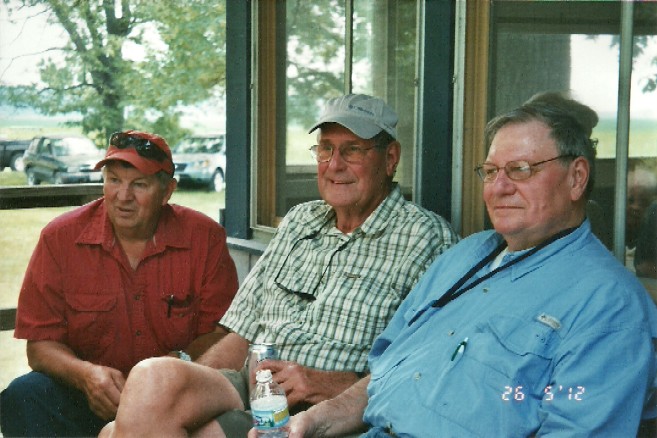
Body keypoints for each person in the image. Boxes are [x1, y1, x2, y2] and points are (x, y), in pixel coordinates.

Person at [279, 92, 657, 437]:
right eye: (491, 172)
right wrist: (319, 418)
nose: (499, 187)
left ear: (576, 178)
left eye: (521, 169)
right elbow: (385, 373)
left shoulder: (610, 306)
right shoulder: (466, 256)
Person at [99, 94, 459, 437]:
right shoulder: (300, 221)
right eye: (326, 149)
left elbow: (420, 365)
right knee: (150, 381)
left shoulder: (426, 238)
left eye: (352, 150)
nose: (334, 165)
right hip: (249, 382)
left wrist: (326, 382)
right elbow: (241, 332)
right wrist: (175, 400)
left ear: (390, 158)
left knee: (117, 432)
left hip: (318, 409)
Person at [0, 130, 239, 437]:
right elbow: (40, 346)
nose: (123, 196)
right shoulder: (60, 238)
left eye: (139, 184)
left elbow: (223, 335)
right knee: (24, 395)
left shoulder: (204, 238)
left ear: (167, 191)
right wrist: (86, 375)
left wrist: (177, 366)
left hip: (172, 398)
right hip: (90, 396)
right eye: (113, 180)